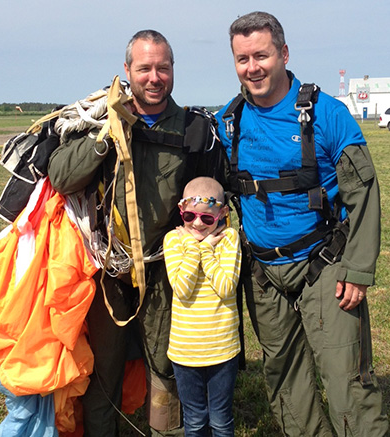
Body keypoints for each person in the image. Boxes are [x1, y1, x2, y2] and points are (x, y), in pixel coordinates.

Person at [215, 11, 389, 437]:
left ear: (284, 53)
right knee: (284, 380)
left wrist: (358, 269)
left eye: (261, 55)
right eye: (242, 58)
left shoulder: (328, 115)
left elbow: (364, 193)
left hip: (323, 266)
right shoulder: (228, 121)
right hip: (263, 273)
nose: (252, 67)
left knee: (345, 378)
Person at [48, 30, 223, 437]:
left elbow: (215, 201)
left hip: (166, 271)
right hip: (109, 272)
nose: (154, 77)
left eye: (163, 67)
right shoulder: (99, 122)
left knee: (167, 364)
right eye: (144, 68)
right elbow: (62, 177)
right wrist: (107, 133)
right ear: (127, 71)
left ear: (173, 70)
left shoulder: (194, 130)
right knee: (104, 369)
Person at [163, 177, 241, 437]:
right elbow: (182, 289)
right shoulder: (174, 241)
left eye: (207, 219)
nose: (197, 223)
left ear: (222, 213)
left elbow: (226, 287)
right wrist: (196, 247)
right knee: (194, 421)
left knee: (220, 420)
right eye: (189, 216)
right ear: (181, 210)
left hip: (223, 348)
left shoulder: (229, 239)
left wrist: (205, 249)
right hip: (185, 352)